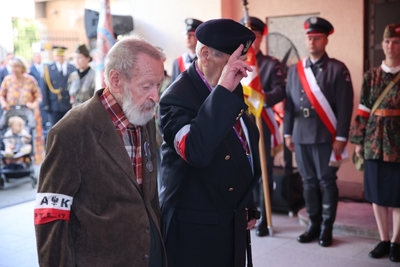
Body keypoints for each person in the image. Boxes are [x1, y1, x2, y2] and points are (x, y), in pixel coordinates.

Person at [34, 35, 167, 267]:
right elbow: (50, 217)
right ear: (116, 80)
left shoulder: (143, 116)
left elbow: (148, 195)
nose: (155, 96)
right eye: (146, 86)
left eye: (158, 85)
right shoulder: (70, 132)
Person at [158, 18, 260, 267]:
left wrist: (247, 203)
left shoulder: (226, 85)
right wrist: (224, 88)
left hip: (228, 221)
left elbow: (240, 147)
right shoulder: (176, 98)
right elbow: (197, 151)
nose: (240, 69)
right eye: (231, 60)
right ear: (205, 54)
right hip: (194, 234)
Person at [284, 17, 354, 247]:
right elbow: (289, 105)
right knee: (308, 182)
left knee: (326, 181)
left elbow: (345, 106)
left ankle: (326, 227)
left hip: (326, 136)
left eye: (317, 38)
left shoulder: (337, 68)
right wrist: (287, 133)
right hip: (301, 135)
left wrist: (341, 137)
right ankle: (313, 225)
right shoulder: (295, 70)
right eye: (309, 38)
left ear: (325, 40)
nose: (312, 42)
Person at [349, 23, 400, 263]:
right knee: (377, 194)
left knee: (398, 195)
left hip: (398, 145)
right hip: (373, 143)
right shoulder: (371, 76)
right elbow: (363, 110)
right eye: (388, 42)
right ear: (382, 45)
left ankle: (396, 242)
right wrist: (358, 141)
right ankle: (383, 239)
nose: (391, 46)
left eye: (396, 42)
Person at [240, 16, 286, 237]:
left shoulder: (270, 64)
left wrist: (260, 98)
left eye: (255, 37)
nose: (251, 41)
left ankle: (263, 218)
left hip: (262, 123)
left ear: (260, 37)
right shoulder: (235, 63)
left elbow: (280, 91)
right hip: (237, 124)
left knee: (261, 171)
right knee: (241, 170)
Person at [0, 57, 45, 165]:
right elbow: (1, 95)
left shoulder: (30, 80)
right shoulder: (7, 80)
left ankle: (31, 158)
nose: (14, 69)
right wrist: (4, 104)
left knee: (29, 134)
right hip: (12, 114)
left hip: (28, 113)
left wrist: (33, 104)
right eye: (12, 67)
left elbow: (38, 96)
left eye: (16, 67)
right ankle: (10, 157)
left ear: (22, 68)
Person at [42, 46, 76, 126]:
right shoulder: (48, 69)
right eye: (58, 55)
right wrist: (46, 104)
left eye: (62, 55)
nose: (60, 58)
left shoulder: (72, 68)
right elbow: (45, 88)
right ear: (54, 56)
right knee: (55, 128)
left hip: (69, 104)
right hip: (55, 104)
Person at [170, 18, 203, 82]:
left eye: (191, 35)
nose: (188, 37)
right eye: (186, 34)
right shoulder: (177, 62)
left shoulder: (205, 60)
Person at [29, 52, 49, 129]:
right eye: (36, 57)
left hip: (44, 93)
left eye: (39, 57)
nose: (38, 59)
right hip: (36, 94)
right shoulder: (31, 69)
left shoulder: (46, 67)